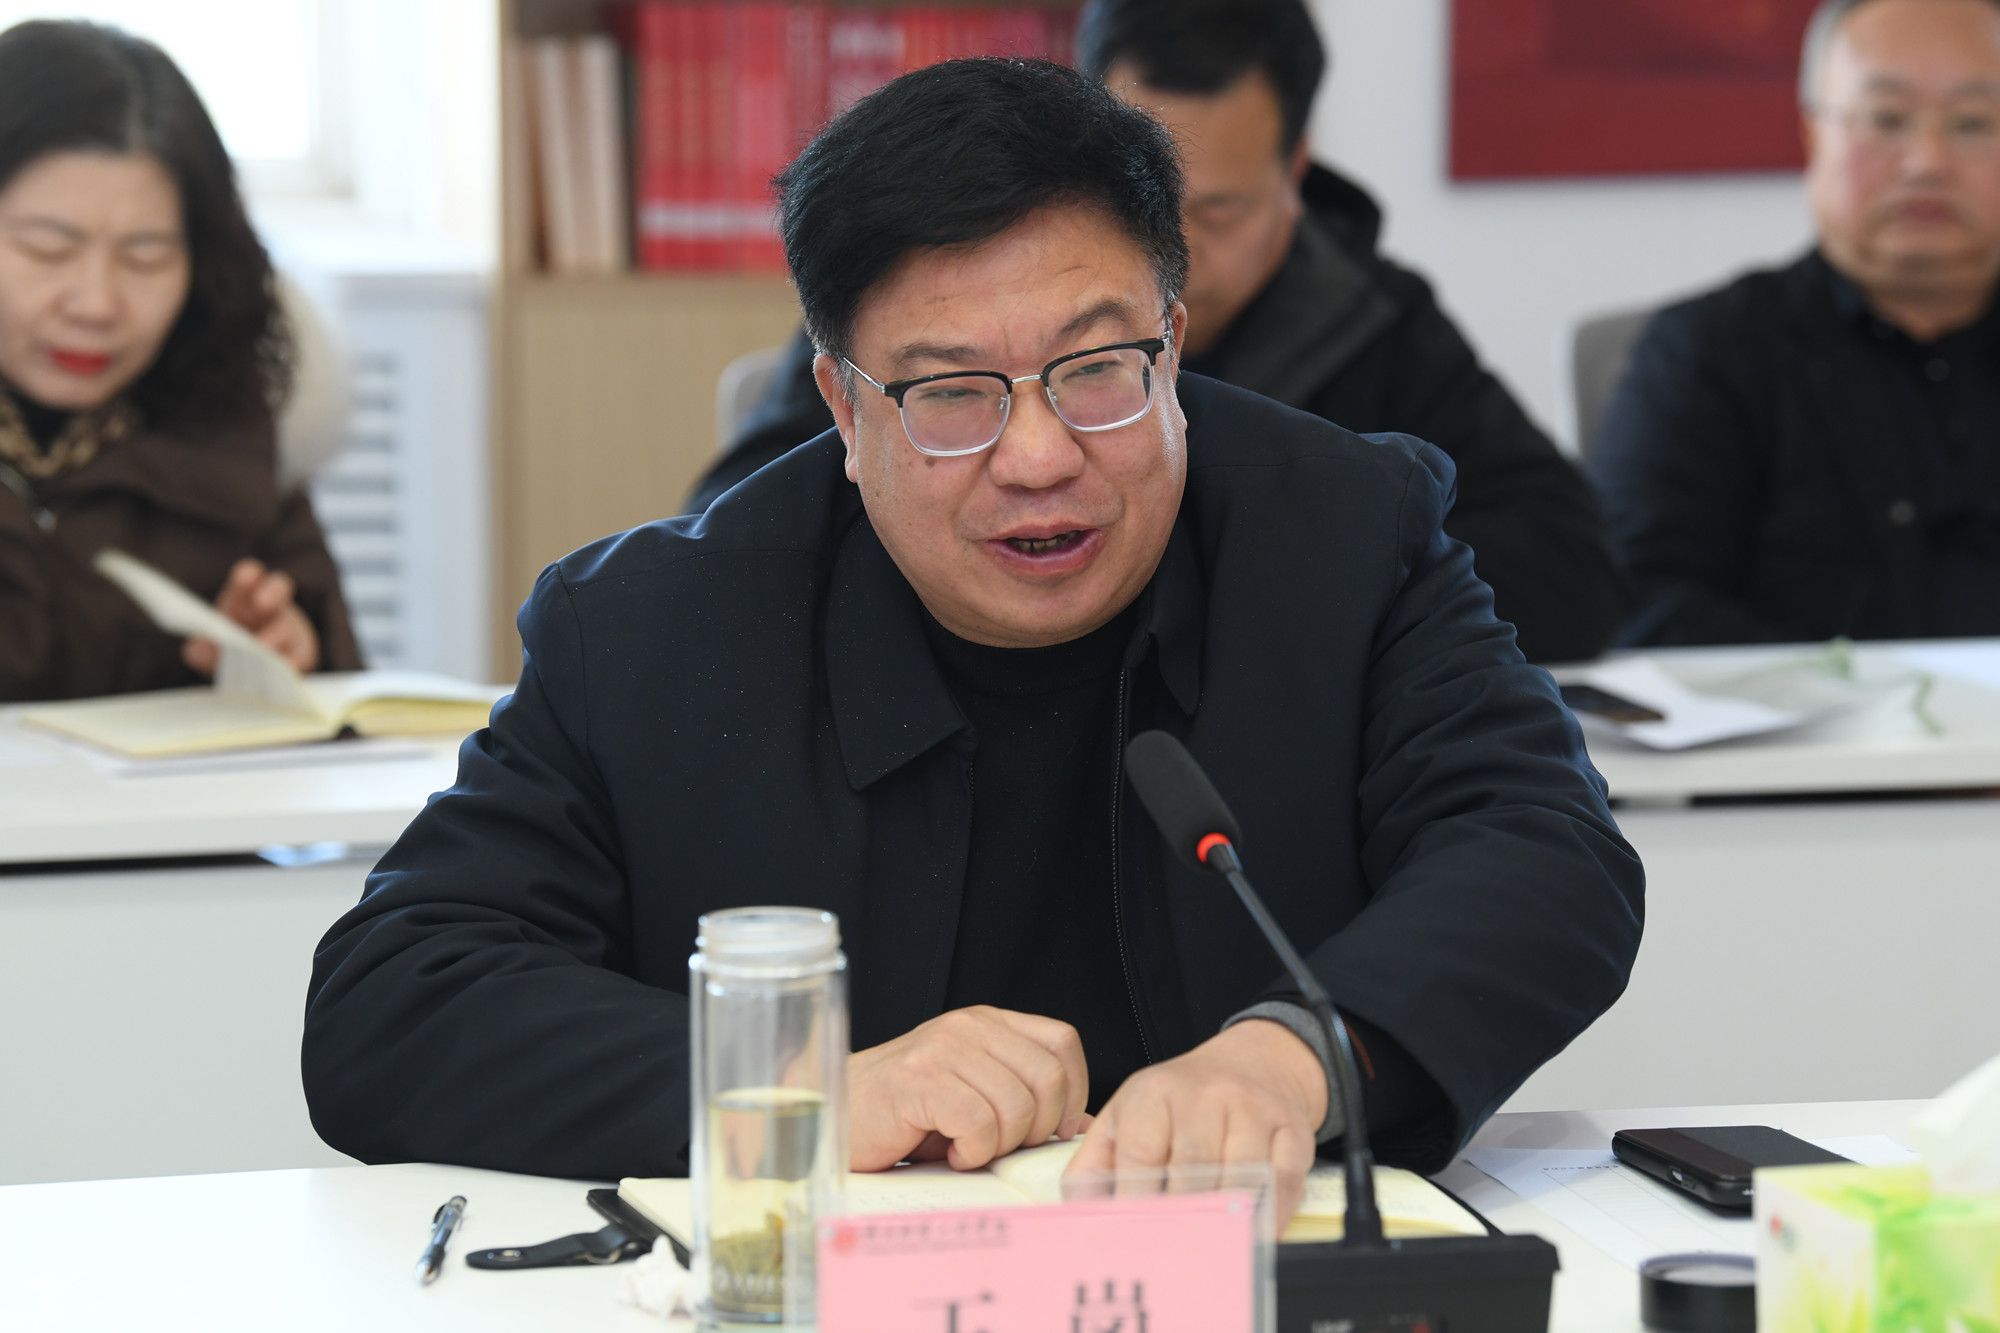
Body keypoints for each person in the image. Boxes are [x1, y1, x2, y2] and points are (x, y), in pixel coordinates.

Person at [303, 58, 1642, 1220]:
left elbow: (1545, 853)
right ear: (842, 406)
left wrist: (1294, 1057)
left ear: (1173, 349)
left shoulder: (1344, 536)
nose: (1040, 456)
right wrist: (805, 1088)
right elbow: (394, 998)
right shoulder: (652, 632)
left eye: (1096, 370)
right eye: (952, 393)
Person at [684, 0, 1621, 666]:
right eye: (1144, 201)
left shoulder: (1373, 318)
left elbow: (1570, 570)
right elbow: (742, 545)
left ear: (1295, 170)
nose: (1179, 251)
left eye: (1217, 211)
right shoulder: (921, 305)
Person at [1592, 0, 2000, 645]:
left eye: (1972, 122)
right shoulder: (1707, 352)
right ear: (1813, 135)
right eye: (1886, 118)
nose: (1927, 161)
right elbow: (1635, 600)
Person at [0, 20, 360, 702]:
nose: (97, 305)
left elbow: (342, 693)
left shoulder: (229, 425)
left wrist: (291, 653)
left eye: (146, 257)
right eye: (48, 249)